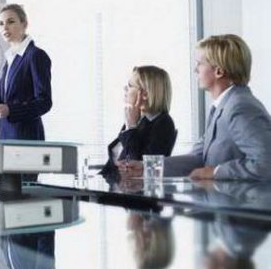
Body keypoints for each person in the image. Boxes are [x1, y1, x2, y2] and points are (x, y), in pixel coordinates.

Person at [120, 34, 271, 181]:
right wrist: (146, 167)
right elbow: (198, 158)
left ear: (219, 71)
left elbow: (266, 163)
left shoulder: (240, 107)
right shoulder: (222, 107)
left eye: (200, 64)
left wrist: (215, 172)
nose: (195, 70)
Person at [0, 3, 52, 141]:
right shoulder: (11, 60)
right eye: (1, 24)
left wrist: (11, 110)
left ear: (24, 24)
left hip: (26, 138)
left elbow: (44, 102)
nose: (4, 27)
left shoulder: (35, 55)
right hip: (6, 136)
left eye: (10, 22)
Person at [100, 66, 176, 176]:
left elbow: (136, 164)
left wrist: (131, 127)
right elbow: (114, 163)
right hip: (112, 182)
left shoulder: (163, 123)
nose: (125, 88)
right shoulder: (140, 118)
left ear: (145, 94)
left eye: (130, 85)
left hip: (133, 185)